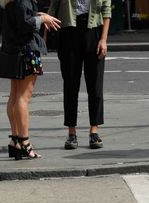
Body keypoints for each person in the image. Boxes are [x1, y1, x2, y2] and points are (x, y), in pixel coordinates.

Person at [0, 0, 60, 160]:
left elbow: (20, 19)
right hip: (26, 51)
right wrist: (42, 19)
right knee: (23, 98)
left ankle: (15, 140)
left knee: (14, 95)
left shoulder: (11, 2)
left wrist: (40, 15)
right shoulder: (23, 1)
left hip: (15, 51)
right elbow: (25, 24)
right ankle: (25, 142)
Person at [48, 0, 111, 149]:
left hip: (94, 31)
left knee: (95, 84)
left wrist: (103, 39)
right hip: (68, 33)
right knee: (70, 84)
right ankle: (71, 132)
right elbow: (53, 7)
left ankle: (94, 131)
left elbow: (106, 10)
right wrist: (45, 36)